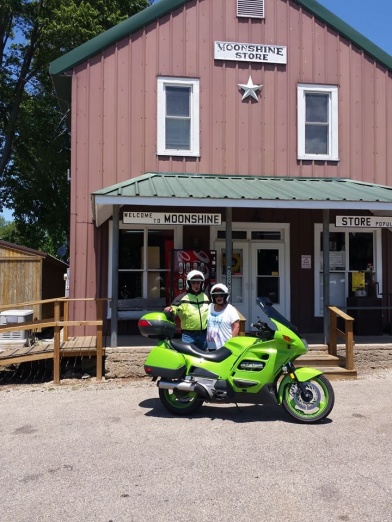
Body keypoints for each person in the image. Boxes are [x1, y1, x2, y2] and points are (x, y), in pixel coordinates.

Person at [164, 269, 209, 350]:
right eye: (193, 282)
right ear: (188, 283)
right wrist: (170, 310)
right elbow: (174, 308)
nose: (196, 285)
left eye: (198, 282)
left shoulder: (206, 297)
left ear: (202, 283)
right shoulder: (182, 297)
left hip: (203, 335)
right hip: (188, 335)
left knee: (202, 359)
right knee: (187, 356)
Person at [206, 283, 240, 350]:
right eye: (216, 296)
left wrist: (232, 344)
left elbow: (236, 327)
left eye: (221, 295)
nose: (219, 298)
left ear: (225, 296)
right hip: (211, 346)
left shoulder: (231, 309)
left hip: (225, 346)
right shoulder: (209, 307)